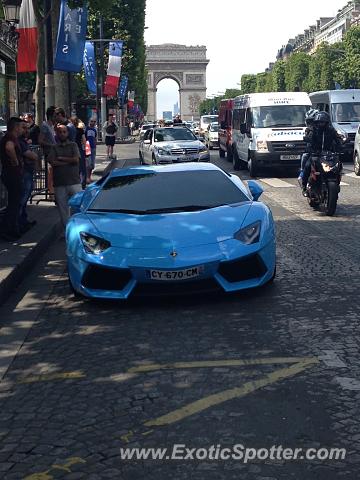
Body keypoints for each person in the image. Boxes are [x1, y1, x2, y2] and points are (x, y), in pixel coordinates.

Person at [47, 124, 82, 228]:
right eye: (60, 132)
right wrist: (68, 161)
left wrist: (61, 158)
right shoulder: (54, 147)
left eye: (64, 132)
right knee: (63, 210)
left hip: (74, 181)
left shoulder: (73, 145)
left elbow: (76, 160)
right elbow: (52, 162)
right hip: (60, 183)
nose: (62, 134)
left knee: (78, 207)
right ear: (57, 134)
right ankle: (67, 230)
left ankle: (79, 228)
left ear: (68, 133)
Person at [301, 111, 343, 196]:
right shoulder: (313, 130)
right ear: (316, 122)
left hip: (328, 154)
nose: (321, 124)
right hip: (315, 154)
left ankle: (336, 181)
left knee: (338, 166)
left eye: (323, 122)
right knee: (307, 166)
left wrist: (341, 144)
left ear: (326, 122)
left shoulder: (331, 130)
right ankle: (304, 186)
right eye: (319, 122)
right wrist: (308, 140)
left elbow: (337, 139)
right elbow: (309, 138)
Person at [0, 117, 24, 240]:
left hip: (11, 174)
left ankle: (12, 228)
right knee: (14, 204)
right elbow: (9, 148)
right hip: (12, 174)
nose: (22, 130)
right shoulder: (10, 138)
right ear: (16, 127)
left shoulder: (10, 137)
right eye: (21, 127)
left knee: (14, 203)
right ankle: (7, 230)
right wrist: (14, 160)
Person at [70, 116, 87, 188]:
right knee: (82, 167)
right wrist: (85, 149)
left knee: (74, 166)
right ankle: (83, 183)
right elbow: (84, 140)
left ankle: (75, 182)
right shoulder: (80, 130)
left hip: (71, 150)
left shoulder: (69, 130)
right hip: (79, 149)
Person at [85, 118, 97, 184]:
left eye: (94, 122)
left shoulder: (95, 130)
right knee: (88, 163)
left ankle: (89, 177)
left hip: (93, 147)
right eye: (91, 121)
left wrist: (95, 146)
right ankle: (87, 178)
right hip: (87, 147)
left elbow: (95, 138)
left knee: (92, 164)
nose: (93, 123)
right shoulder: (86, 129)